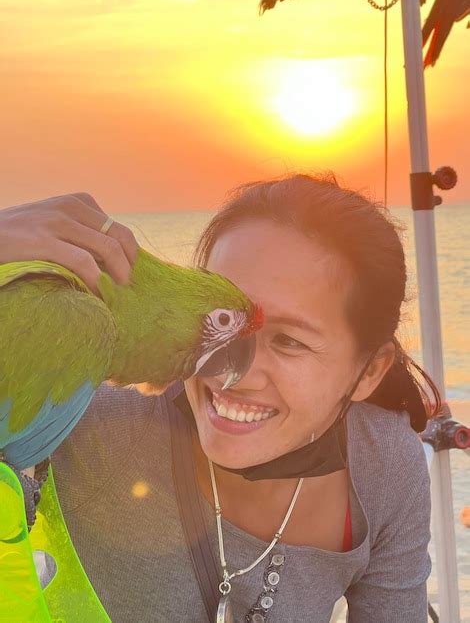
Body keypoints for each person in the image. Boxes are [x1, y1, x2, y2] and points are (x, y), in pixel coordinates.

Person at [0, 174, 436, 623]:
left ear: (369, 371)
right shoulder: (95, 412)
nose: (234, 380)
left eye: (288, 342)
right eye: (219, 315)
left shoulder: (384, 462)